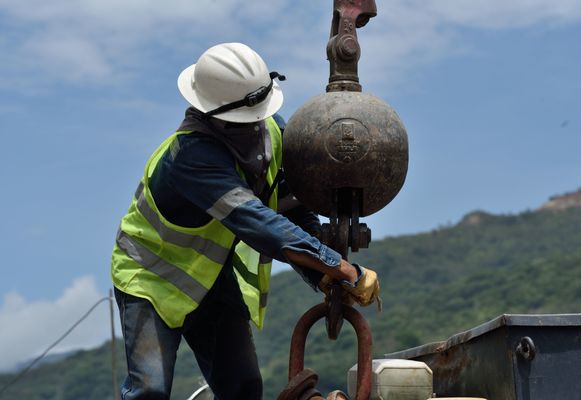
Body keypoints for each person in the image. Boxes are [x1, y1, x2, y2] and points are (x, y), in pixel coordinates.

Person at [111, 42, 380, 400]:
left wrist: (323, 275)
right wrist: (342, 268)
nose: (255, 126)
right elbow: (259, 224)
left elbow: (290, 209)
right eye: (245, 121)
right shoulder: (192, 158)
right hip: (150, 280)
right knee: (150, 391)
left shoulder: (272, 132)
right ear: (212, 114)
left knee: (243, 387)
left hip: (208, 279)